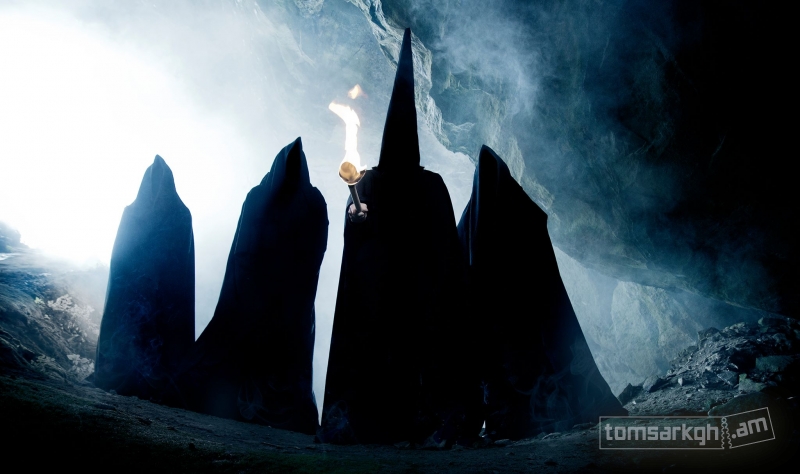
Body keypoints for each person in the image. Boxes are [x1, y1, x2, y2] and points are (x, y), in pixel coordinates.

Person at [319, 28, 476, 445]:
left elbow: (444, 248)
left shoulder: (417, 184)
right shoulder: (387, 183)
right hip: (390, 292)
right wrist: (356, 216)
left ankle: (407, 419)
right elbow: (444, 250)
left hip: (407, 293)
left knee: (402, 355)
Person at [457, 145, 627, 440]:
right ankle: (534, 418)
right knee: (522, 365)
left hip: (508, 314)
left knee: (516, 367)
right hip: (518, 312)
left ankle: (519, 421)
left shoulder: (475, 223)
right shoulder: (513, 211)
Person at [178, 138, 327, 435]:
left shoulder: (279, 198)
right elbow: (248, 247)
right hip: (274, 298)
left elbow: (247, 248)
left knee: (265, 356)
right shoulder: (302, 200)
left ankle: (243, 407)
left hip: (273, 296)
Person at [95, 155, 195, 400]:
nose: (158, 190)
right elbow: (121, 255)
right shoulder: (133, 213)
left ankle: (152, 383)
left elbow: (182, 261)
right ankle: (127, 378)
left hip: (164, 294)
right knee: (129, 336)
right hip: (132, 291)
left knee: (157, 338)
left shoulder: (180, 214)